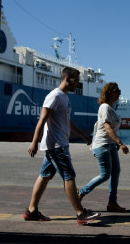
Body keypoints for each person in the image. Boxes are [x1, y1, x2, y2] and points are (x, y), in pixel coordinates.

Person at [24, 66, 100, 225]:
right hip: (57, 145)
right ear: (67, 79)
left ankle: (31, 211)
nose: (77, 84)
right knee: (69, 176)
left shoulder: (64, 97)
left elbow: (67, 121)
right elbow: (42, 120)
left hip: (58, 144)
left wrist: (83, 135)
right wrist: (34, 142)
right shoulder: (55, 96)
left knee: (44, 176)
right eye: (76, 81)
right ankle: (80, 213)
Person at [78, 82, 129, 212]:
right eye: (116, 90)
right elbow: (107, 127)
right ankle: (81, 192)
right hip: (102, 145)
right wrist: (120, 143)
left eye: (119, 90)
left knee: (115, 172)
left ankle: (112, 202)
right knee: (105, 175)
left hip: (110, 145)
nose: (119, 93)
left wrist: (115, 143)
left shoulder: (111, 108)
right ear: (109, 93)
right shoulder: (104, 107)